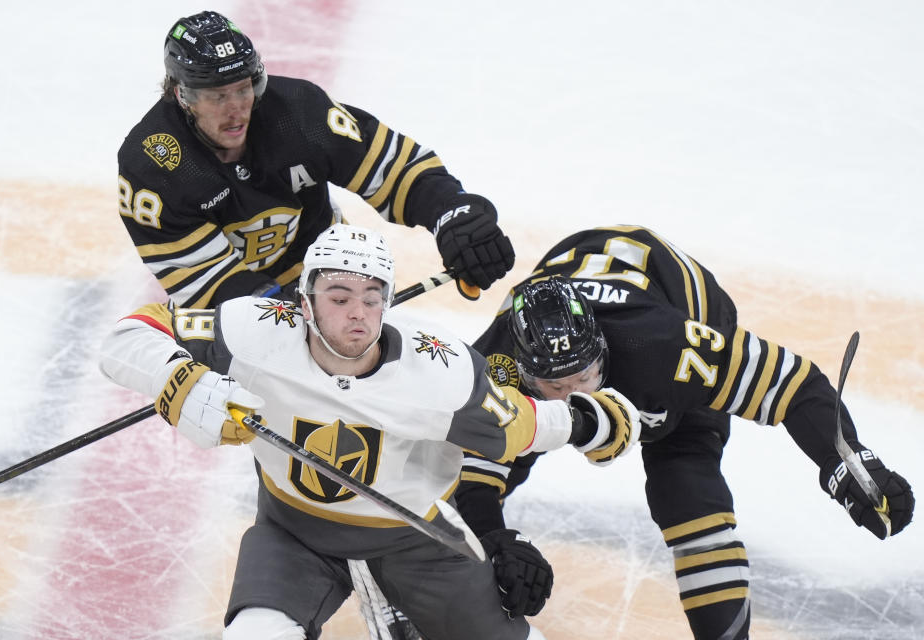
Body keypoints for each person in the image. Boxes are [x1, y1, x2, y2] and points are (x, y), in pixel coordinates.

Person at [98, 224, 639, 640]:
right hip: (293, 532)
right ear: (304, 302)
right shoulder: (254, 330)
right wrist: (178, 377)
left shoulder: (441, 370)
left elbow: (520, 425)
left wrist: (594, 421)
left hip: (417, 538)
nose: (357, 314)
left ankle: (399, 597)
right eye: (338, 297)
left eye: (372, 297)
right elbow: (129, 335)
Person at [454, 225, 915, 639]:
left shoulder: (666, 349)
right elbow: (471, 469)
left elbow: (792, 384)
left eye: (588, 376)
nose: (579, 396)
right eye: (558, 385)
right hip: (587, 297)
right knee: (479, 465)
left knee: (689, 496)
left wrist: (848, 462)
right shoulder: (496, 367)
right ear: (524, 374)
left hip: (680, 303)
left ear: (604, 349)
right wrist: (491, 538)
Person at [117, 10, 514, 309]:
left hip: (326, 264)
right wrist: (282, 313)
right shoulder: (153, 166)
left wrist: (452, 213)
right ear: (182, 95)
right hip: (229, 307)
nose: (237, 109)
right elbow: (206, 282)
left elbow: (395, 170)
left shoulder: (300, 115)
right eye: (218, 96)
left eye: (244, 89)